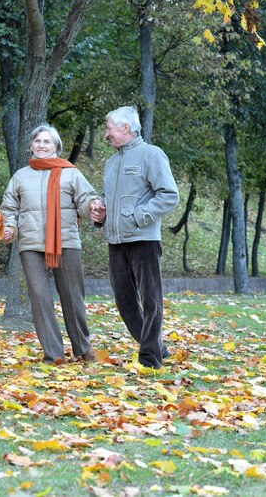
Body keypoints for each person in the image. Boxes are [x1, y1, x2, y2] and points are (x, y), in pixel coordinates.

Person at [0, 124, 100, 364]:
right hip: (31, 244)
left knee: (72, 296)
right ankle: (53, 354)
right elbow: (9, 208)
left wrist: (93, 206)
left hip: (65, 242)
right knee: (39, 297)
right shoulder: (21, 176)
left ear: (56, 146)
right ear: (31, 145)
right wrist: (10, 227)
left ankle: (83, 348)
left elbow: (86, 198)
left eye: (47, 141)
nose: (42, 145)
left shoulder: (71, 172)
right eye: (38, 141)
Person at [90, 106, 179, 370]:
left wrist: (139, 216)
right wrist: (103, 212)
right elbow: (115, 201)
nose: (106, 133)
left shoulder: (151, 155)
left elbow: (168, 195)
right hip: (116, 242)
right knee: (125, 302)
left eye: (109, 128)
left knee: (151, 301)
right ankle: (158, 348)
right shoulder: (112, 162)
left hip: (144, 240)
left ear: (125, 128)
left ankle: (150, 359)